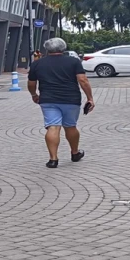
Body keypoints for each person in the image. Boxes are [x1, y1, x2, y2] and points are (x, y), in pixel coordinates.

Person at [28, 38, 95, 169]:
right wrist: (90, 98)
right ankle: (75, 153)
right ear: (63, 48)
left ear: (47, 49)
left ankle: (53, 159)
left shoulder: (37, 63)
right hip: (71, 99)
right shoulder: (73, 61)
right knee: (70, 126)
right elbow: (83, 80)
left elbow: (31, 83)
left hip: (48, 99)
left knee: (53, 127)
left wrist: (34, 95)